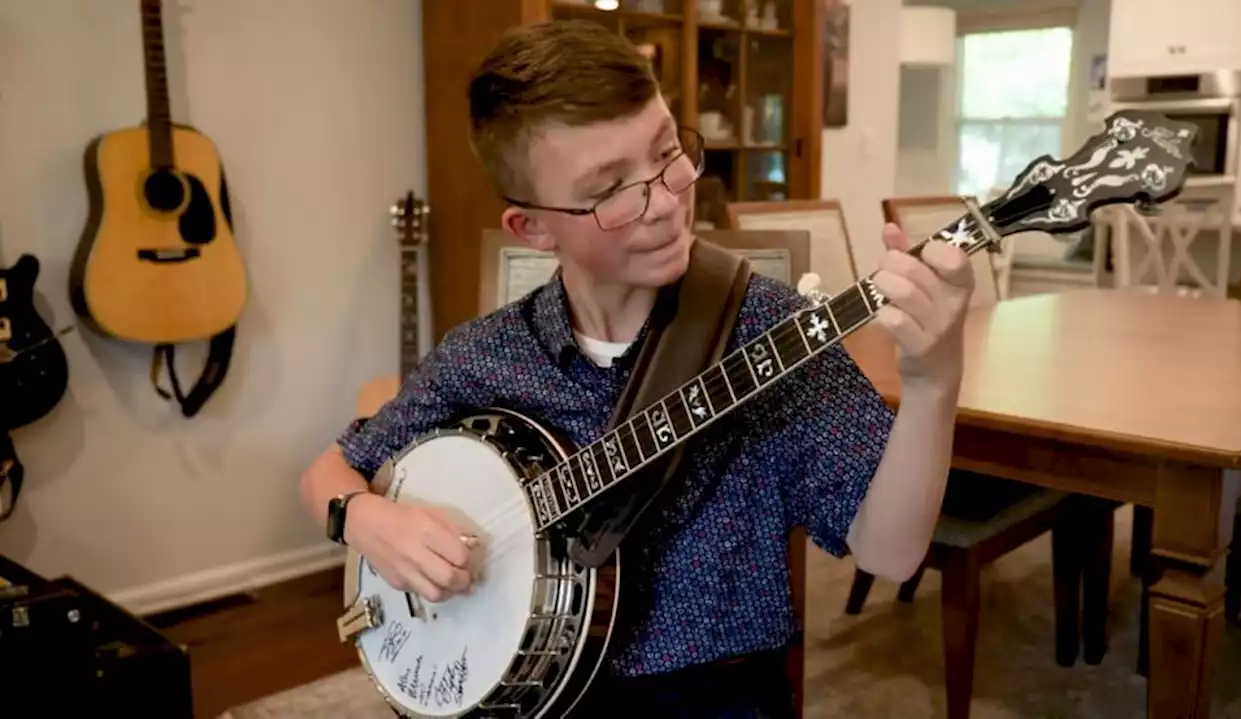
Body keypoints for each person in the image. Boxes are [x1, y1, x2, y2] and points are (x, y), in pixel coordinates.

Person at [300, 19, 974, 718]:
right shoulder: (485, 355)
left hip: (721, 693)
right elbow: (329, 471)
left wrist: (931, 383)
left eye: (667, 152)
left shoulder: (767, 329)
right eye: (611, 189)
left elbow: (890, 552)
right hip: (532, 697)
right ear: (532, 228)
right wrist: (371, 522)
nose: (664, 202)